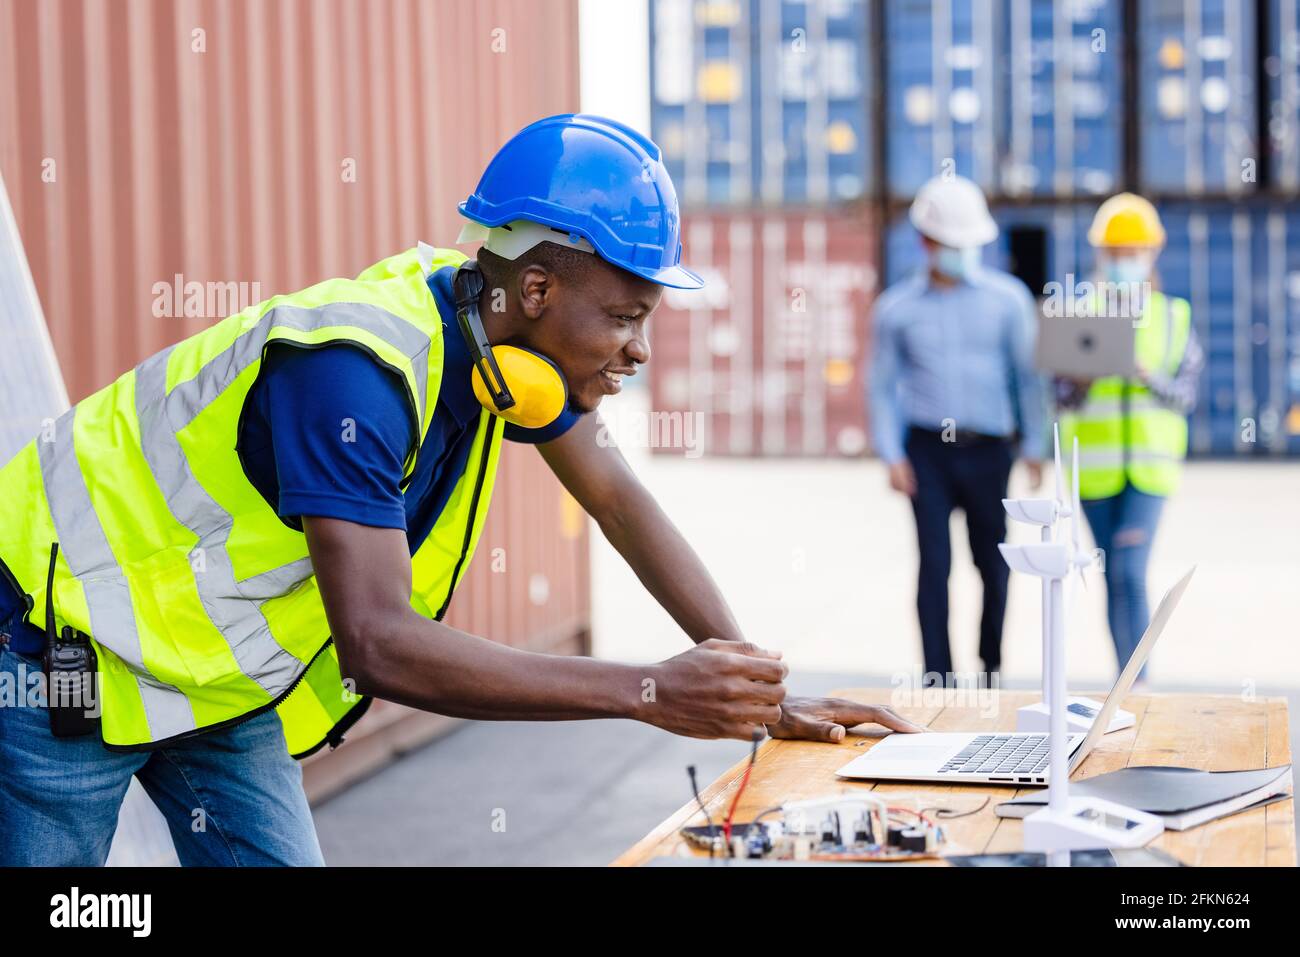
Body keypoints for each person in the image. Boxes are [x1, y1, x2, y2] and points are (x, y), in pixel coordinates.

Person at [0, 114, 921, 867]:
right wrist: (649, 689)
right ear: (534, 288)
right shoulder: (354, 374)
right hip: (66, 642)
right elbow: (378, 644)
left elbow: (618, 499)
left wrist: (753, 685)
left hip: (209, 679)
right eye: (626, 317)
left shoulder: (496, 348)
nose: (639, 349)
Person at [869, 175, 1045, 687]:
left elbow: (1027, 379)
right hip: (926, 452)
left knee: (993, 564)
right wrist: (890, 455)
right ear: (927, 242)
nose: (963, 253)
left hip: (991, 451)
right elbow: (879, 386)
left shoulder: (1009, 302)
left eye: (970, 245)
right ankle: (938, 679)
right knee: (934, 565)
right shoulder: (896, 310)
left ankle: (991, 669)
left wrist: (1034, 444)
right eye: (953, 244)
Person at [1057, 193, 1203, 682]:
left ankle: (1138, 687)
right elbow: (1059, 396)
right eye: (1117, 253)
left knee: (1128, 573)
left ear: (1152, 254)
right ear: (1102, 255)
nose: (1125, 262)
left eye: (1134, 252)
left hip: (1149, 470)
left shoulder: (1173, 316)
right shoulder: (1079, 313)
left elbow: (1185, 395)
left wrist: (1146, 375)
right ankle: (1129, 682)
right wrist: (1084, 379)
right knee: (1111, 578)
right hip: (1095, 475)